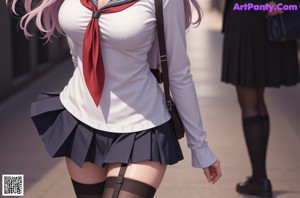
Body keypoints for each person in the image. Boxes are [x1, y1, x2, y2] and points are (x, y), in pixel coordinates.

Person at [8, 0, 222, 197]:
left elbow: (178, 73)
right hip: (82, 122)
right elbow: (78, 52)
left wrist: (200, 147)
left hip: (142, 125)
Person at [222, 0, 300, 197]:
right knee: (257, 98)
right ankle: (259, 177)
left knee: (250, 102)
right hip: (267, 15)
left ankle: (260, 179)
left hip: (246, 15)